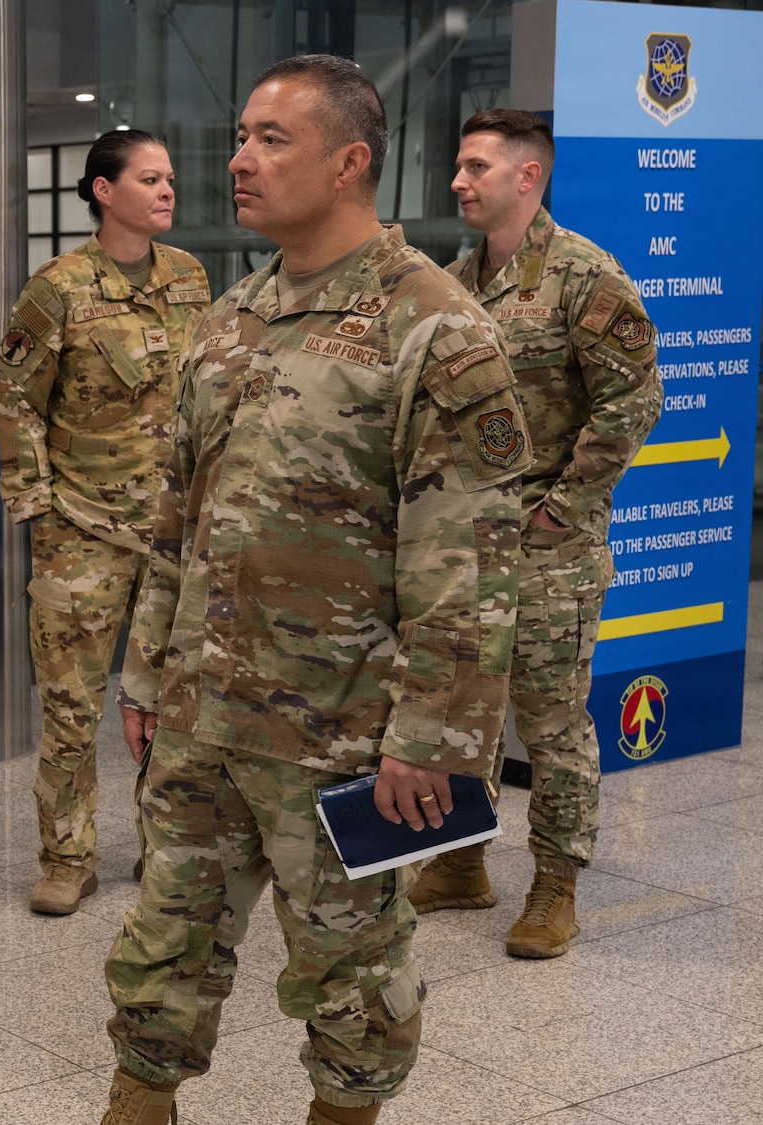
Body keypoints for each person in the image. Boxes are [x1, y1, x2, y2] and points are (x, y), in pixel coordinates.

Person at [99, 56, 532, 1125]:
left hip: (345, 737)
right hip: (203, 716)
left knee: (349, 977)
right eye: (239, 136)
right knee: (162, 943)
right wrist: (147, 674)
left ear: (348, 162)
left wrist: (430, 740)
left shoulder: (432, 328)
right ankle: (133, 1104)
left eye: (268, 139)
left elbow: (466, 564)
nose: (237, 160)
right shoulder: (230, 318)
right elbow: (176, 520)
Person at [414, 109, 660, 957]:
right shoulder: (455, 281)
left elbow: (634, 400)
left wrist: (564, 508)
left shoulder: (585, 275)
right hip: (467, 550)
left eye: (475, 165)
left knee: (551, 725)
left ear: (528, 176)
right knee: (465, 716)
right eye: (458, 164)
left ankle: (556, 884)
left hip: (550, 551)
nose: (458, 181)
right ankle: (462, 862)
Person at [0, 129, 214, 914]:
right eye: (149, 178)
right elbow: (17, 397)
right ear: (102, 190)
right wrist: (37, 507)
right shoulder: (58, 288)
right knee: (71, 706)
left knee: (172, 701)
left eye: (169, 179)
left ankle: (162, 848)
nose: (166, 191)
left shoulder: (190, 278)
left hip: (172, 533)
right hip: (81, 531)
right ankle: (67, 855)